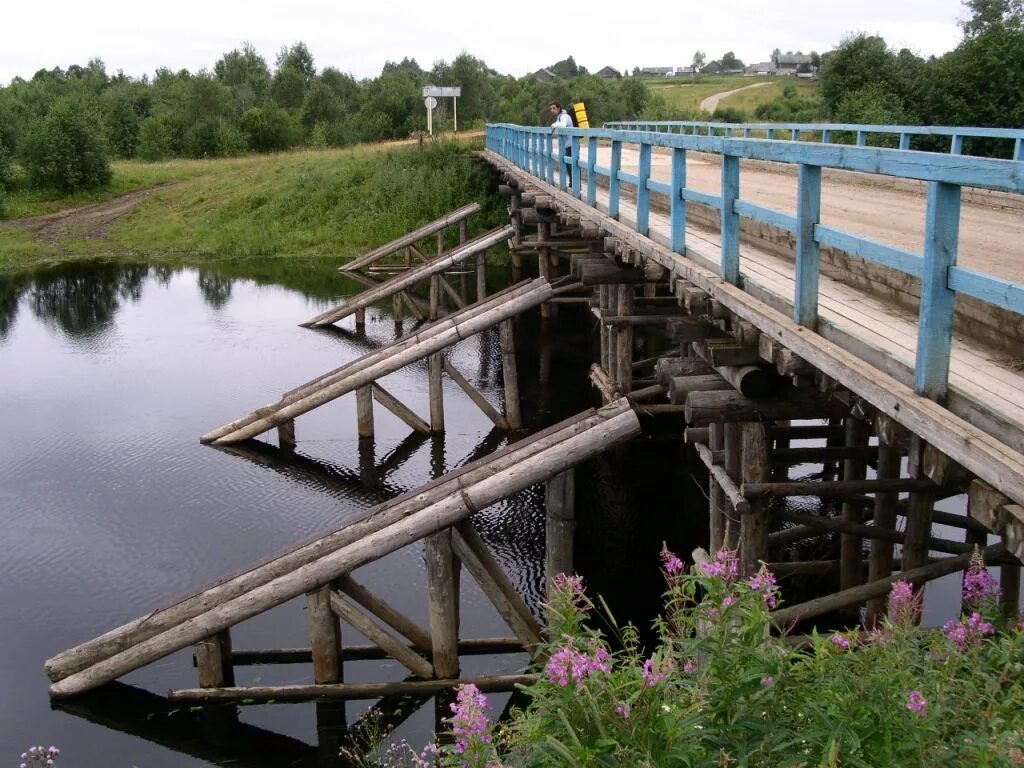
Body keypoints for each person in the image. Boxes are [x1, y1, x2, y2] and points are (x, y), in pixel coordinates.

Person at [548, 100, 574, 185]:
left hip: (571, 144)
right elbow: (557, 123)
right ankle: (572, 183)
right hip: (568, 144)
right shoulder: (560, 116)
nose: (552, 110)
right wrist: (553, 124)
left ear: (559, 108)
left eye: (554, 108)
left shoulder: (564, 116)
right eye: (551, 109)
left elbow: (563, 124)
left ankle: (574, 184)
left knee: (571, 165)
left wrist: (553, 125)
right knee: (569, 164)